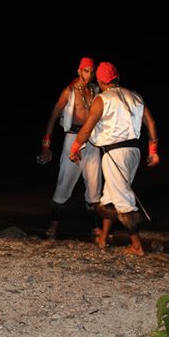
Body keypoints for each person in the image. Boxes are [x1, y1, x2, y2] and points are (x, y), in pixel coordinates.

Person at [69, 61, 159, 256]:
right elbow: (150, 122)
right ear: (117, 77)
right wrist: (153, 150)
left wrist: (75, 147)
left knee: (123, 200)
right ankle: (102, 239)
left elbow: (87, 128)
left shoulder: (102, 99)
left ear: (101, 81)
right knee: (110, 196)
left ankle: (137, 247)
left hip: (114, 154)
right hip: (134, 152)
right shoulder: (135, 96)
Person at [37, 57, 102, 237]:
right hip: (72, 139)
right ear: (79, 71)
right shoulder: (69, 91)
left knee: (94, 186)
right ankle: (53, 226)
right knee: (64, 183)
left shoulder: (95, 90)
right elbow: (53, 117)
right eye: (86, 70)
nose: (90, 74)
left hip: (92, 141)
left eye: (92, 71)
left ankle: (95, 228)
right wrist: (46, 146)